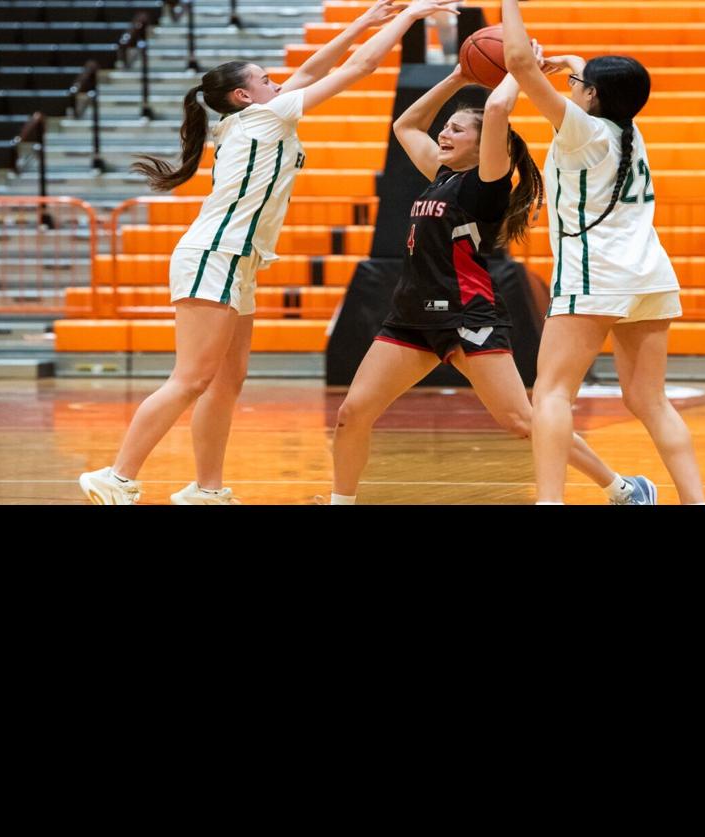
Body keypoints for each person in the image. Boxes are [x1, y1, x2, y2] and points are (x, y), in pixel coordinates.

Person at [78, 0, 461, 505]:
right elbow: (360, 68)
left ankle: (206, 490)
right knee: (191, 379)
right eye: (265, 78)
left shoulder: (257, 115)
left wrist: (363, 22)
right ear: (244, 95)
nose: (277, 82)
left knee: (227, 382)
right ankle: (116, 475)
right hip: (216, 253)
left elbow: (310, 69)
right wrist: (409, 17)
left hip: (239, 260)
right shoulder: (266, 116)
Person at [327, 55, 656, 505]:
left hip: (467, 315)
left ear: (485, 145)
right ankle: (341, 502)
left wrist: (518, 70)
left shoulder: (487, 183)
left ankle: (623, 488)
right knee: (351, 413)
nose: (443, 134)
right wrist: (456, 77)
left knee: (522, 421)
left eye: (456, 130)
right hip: (411, 316)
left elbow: (499, 109)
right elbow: (405, 125)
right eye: (445, 128)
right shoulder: (441, 175)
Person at [499, 0, 705, 504]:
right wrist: (572, 63)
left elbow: (519, 62)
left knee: (551, 393)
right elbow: (594, 84)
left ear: (591, 95)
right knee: (650, 400)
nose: (572, 87)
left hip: (596, 275)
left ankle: (550, 501)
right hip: (650, 274)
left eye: (580, 84)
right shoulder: (629, 130)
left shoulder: (583, 132)